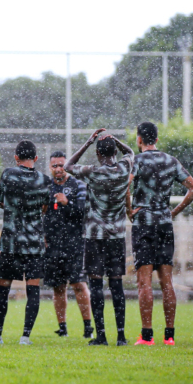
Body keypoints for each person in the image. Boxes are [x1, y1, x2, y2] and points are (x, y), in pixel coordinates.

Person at [65, 129, 134, 347]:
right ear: (115, 151)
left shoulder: (93, 172)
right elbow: (131, 151)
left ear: (97, 153)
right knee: (116, 286)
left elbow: (67, 167)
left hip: (95, 236)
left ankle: (101, 335)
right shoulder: (125, 168)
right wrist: (115, 141)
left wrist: (87, 142)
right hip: (117, 236)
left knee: (95, 285)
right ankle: (121, 336)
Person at [134, 122, 193, 346]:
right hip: (164, 224)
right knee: (167, 281)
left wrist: (128, 209)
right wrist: (173, 211)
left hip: (143, 223)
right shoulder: (171, 160)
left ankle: (147, 336)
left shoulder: (136, 160)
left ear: (139, 139)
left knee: (144, 282)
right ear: (157, 139)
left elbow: (125, 185)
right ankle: (169, 335)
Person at [0, 141, 52, 346]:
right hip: (34, 243)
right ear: (36, 158)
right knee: (33, 288)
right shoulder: (44, 180)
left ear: (16, 157)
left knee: (2, 287)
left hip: (11, 240)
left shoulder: (8, 174)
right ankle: (25, 337)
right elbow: (45, 208)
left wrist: (14, 209)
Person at [43, 151, 92, 339]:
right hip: (52, 244)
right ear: (50, 167)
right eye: (54, 165)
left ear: (67, 166)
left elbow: (83, 212)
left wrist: (67, 202)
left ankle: (87, 326)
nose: (58, 169)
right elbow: (43, 212)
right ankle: (62, 327)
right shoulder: (46, 187)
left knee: (79, 284)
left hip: (75, 243)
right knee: (58, 287)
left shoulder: (78, 185)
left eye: (61, 165)